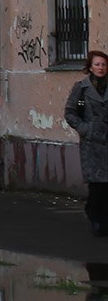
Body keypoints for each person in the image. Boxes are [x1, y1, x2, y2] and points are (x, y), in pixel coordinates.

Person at [64, 49, 108, 235]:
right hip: (92, 144)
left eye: (104, 64)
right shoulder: (81, 88)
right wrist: (85, 129)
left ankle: (104, 221)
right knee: (97, 186)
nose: (101, 68)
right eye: (97, 64)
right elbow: (70, 113)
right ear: (90, 66)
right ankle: (94, 216)